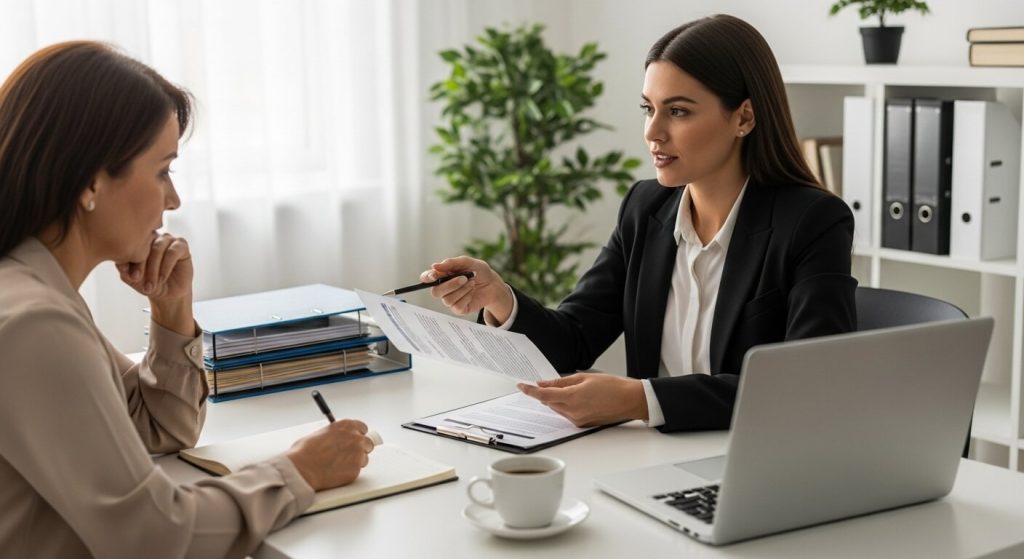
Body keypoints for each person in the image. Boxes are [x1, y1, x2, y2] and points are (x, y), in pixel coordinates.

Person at [0, 41, 374, 558]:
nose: (172, 200)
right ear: (90, 181)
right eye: (162, 170)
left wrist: (171, 310)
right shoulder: (34, 322)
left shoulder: (33, 289)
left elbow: (159, 430)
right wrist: (301, 470)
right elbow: (153, 537)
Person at [422, 14, 857, 432]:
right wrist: (499, 297)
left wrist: (639, 399)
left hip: (752, 459)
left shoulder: (812, 222)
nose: (653, 132)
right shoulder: (645, 208)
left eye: (679, 111)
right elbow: (574, 339)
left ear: (743, 117)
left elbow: (806, 386)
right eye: (648, 108)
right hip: (651, 460)